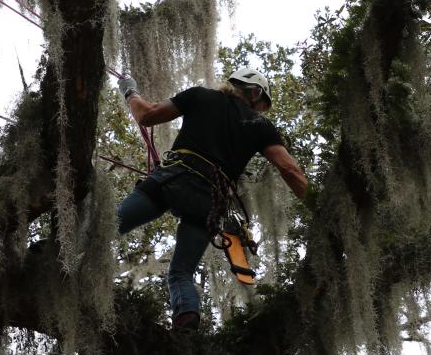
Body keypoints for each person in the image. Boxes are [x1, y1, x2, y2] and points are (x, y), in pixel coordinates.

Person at [116, 68, 308, 331]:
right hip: (209, 202)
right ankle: (186, 320)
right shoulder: (261, 126)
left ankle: (56, 252)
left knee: (110, 225)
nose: (260, 112)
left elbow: (146, 115)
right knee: (181, 272)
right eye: (261, 105)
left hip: (172, 181)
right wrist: (317, 205)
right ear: (253, 92)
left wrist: (130, 91)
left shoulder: (200, 96)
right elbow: (290, 169)